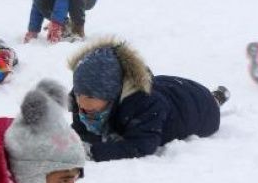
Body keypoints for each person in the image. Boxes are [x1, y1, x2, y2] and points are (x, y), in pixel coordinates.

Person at [68, 37, 227, 162]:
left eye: (90, 96)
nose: (82, 102)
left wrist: (92, 152)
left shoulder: (144, 105)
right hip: (168, 86)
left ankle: (217, 97)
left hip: (200, 106)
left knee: (210, 102)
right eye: (78, 94)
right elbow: (80, 131)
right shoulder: (80, 100)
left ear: (112, 95)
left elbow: (142, 145)